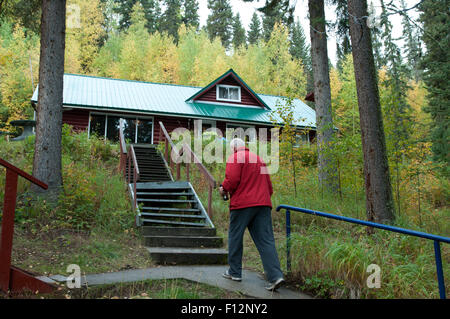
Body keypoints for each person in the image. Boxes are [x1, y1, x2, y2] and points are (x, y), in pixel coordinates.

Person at [219, 137, 285, 291]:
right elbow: (269, 187)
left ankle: (235, 272)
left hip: (242, 205)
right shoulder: (259, 159)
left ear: (234, 148)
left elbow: (232, 180)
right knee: (266, 241)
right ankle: (276, 276)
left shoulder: (235, 157)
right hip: (263, 204)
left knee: (235, 236)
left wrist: (224, 188)